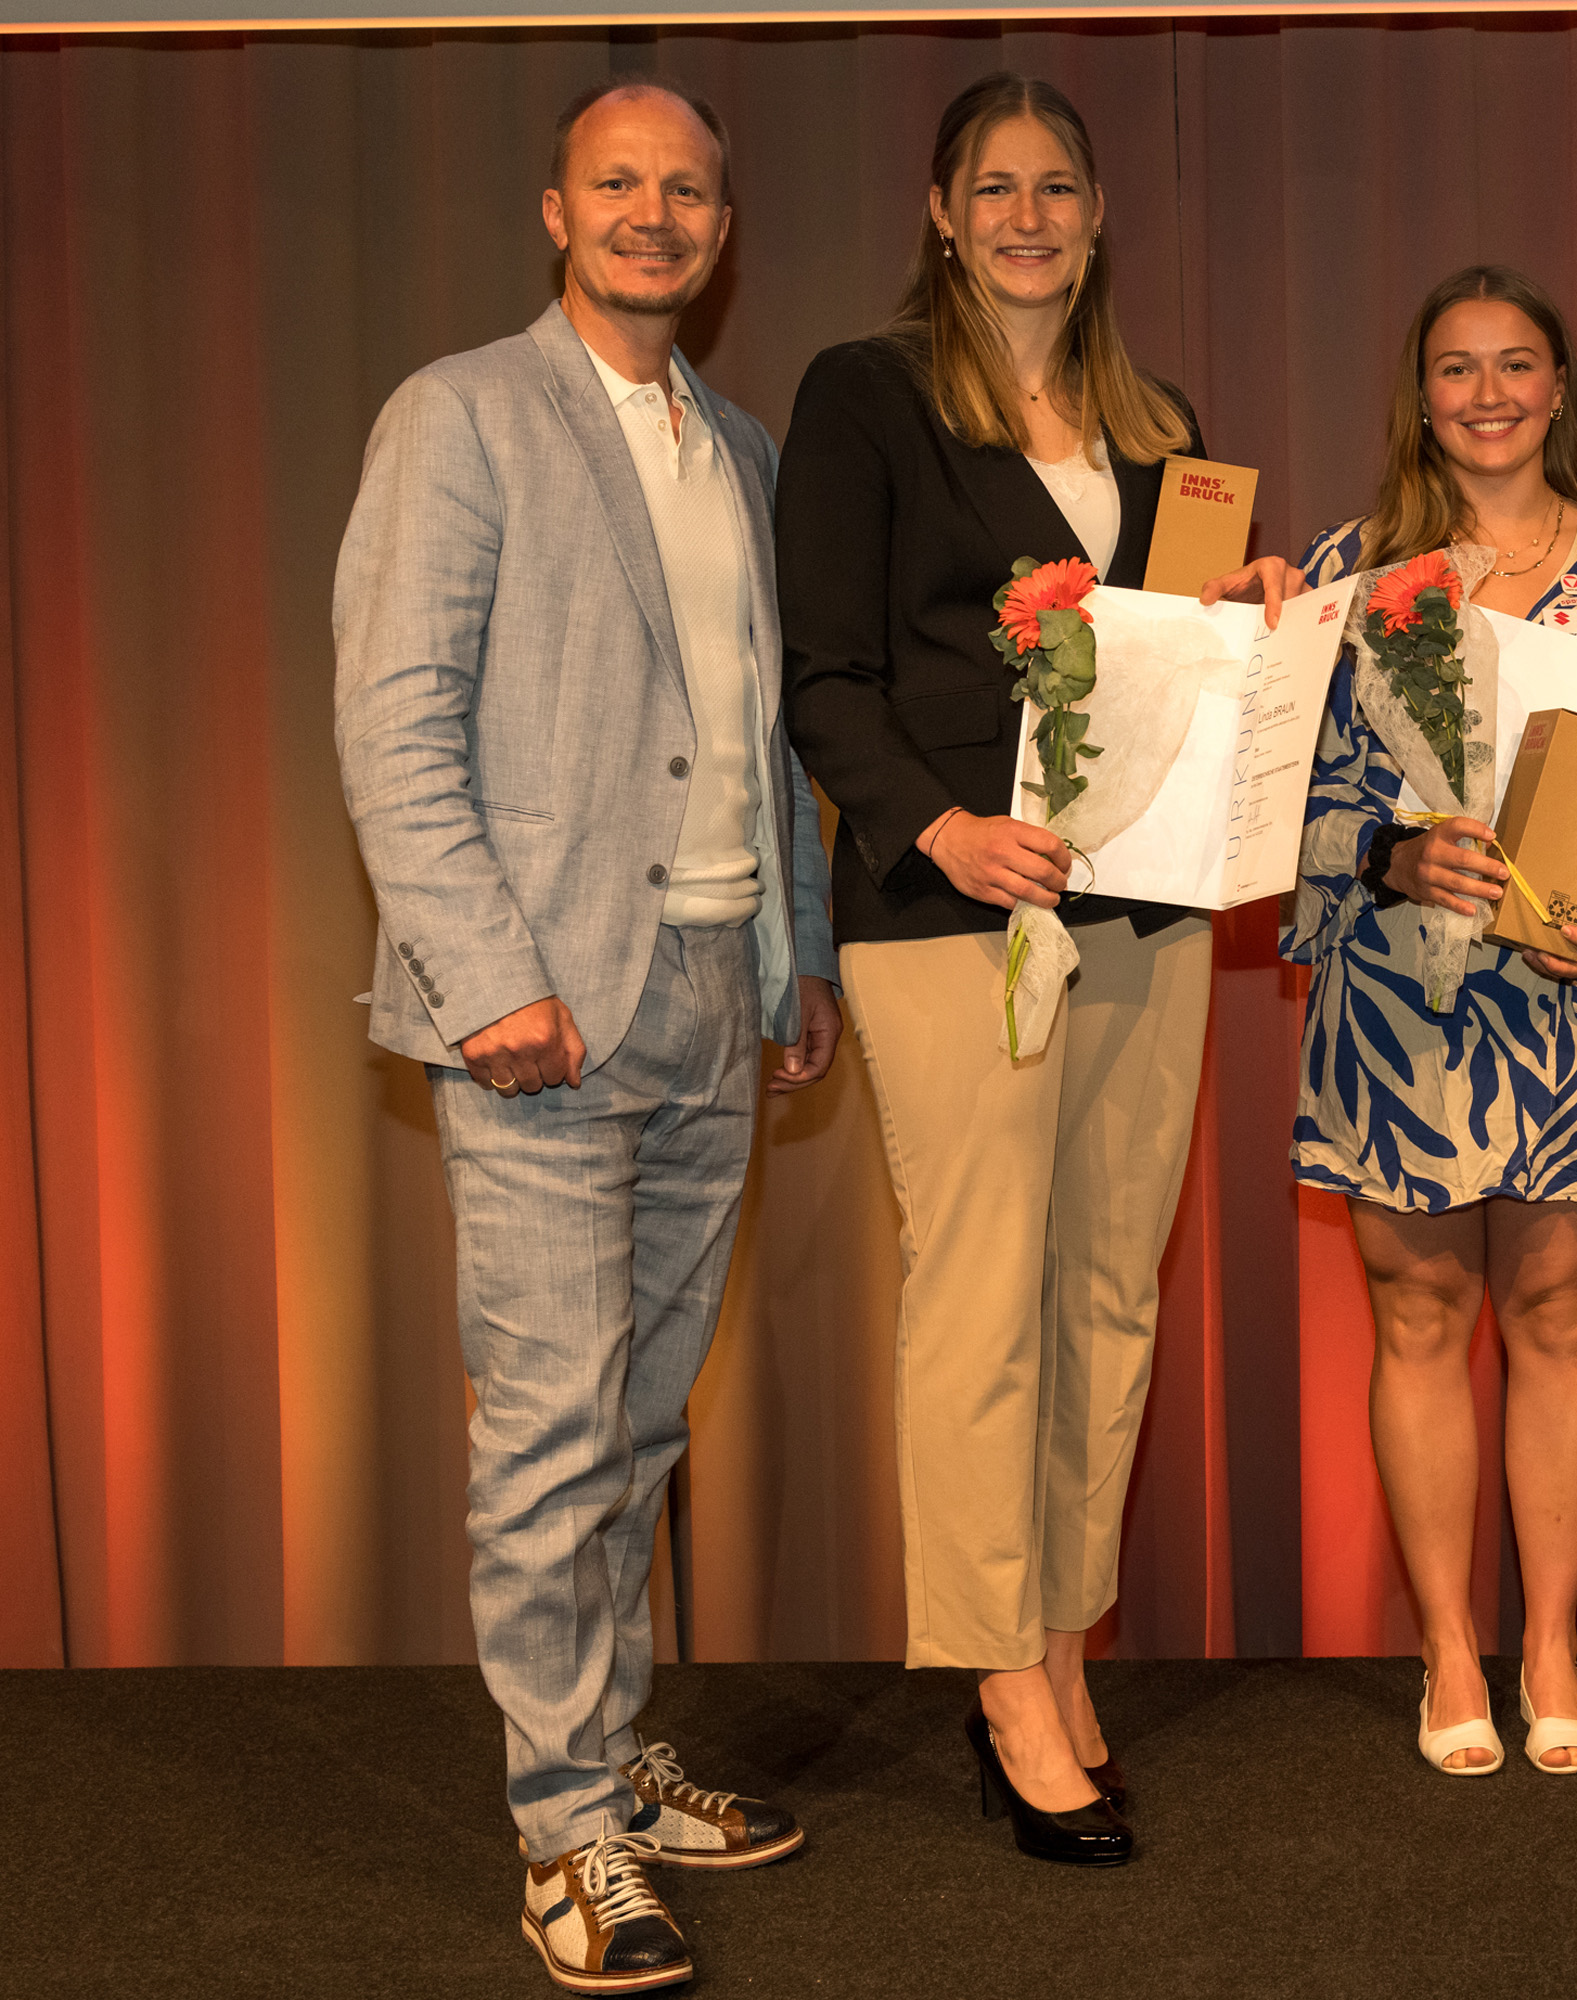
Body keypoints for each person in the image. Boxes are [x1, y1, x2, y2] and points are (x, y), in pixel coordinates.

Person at [333, 77, 843, 1995]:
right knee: (549, 1436)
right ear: (557, 209)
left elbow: (763, 719)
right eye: (619, 183)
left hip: (719, 993)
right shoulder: (460, 416)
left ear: (723, 226)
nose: (655, 213)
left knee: (638, 1423)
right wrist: (486, 981)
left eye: (688, 188)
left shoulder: (746, 446)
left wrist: (802, 957)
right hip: (541, 1015)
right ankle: (564, 1831)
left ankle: (614, 1757)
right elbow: (394, 723)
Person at [775, 72, 1204, 1868]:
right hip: (956, 911)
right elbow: (823, 678)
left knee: (1108, 1296)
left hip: (1144, 913)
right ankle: (996, 1678)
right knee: (981, 1299)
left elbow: (1177, 650)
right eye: (994, 187)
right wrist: (943, 835)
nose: (1029, 215)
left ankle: (1057, 1635)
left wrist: (1239, 613)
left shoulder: (1157, 419)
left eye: (1060, 187)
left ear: (1099, 216)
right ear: (941, 213)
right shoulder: (866, 397)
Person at [1212, 265, 1577, 1775]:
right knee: (1421, 1314)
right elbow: (1274, 802)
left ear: (1560, 389)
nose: (1488, 393)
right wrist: (1386, 852)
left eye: (1517, 365)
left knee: (1563, 1316)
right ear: (1418, 395)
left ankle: (1550, 1644)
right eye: (1456, 368)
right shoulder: (1345, 572)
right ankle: (1449, 1651)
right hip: (1396, 1002)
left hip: (1575, 999)